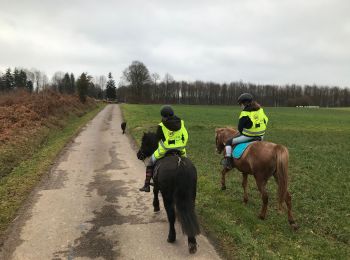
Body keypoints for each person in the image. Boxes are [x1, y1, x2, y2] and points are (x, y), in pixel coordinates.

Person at [139, 105, 188, 192]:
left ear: (164, 116)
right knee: (186, 164)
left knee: (150, 162)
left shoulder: (162, 125)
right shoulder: (181, 122)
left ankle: (146, 185)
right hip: (181, 149)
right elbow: (186, 136)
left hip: (165, 149)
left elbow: (157, 138)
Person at [223, 93, 269, 169]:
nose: (240, 106)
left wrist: (245, 131)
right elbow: (266, 120)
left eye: (240, 104)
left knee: (228, 142)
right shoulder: (260, 109)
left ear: (244, 103)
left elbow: (240, 128)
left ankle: (228, 161)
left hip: (249, 136)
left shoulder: (245, 113)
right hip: (261, 136)